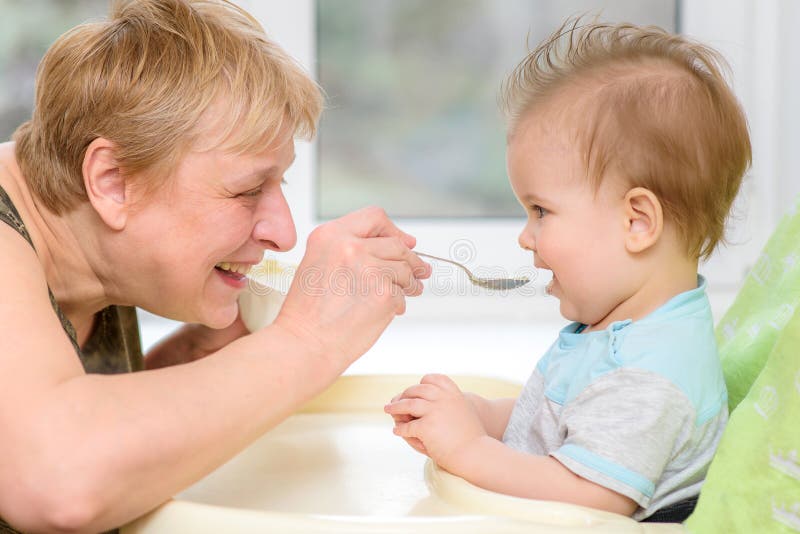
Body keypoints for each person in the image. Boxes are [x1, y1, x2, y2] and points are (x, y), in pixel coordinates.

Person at [0, 1, 430, 532]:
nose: (283, 232)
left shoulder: (79, 248)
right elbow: (54, 481)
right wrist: (306, 342)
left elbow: (34, 416)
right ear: (111, 181)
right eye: (248, 190)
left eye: (280, 185)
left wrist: (194, 357)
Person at [385, 18, 751, 522]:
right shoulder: (615, 329)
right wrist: (480, 415)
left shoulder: (653, 375)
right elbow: (556, 420)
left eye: (540, 211)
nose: (524, 235)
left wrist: (468, 449)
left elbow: (588, 495)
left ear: (636, 222)